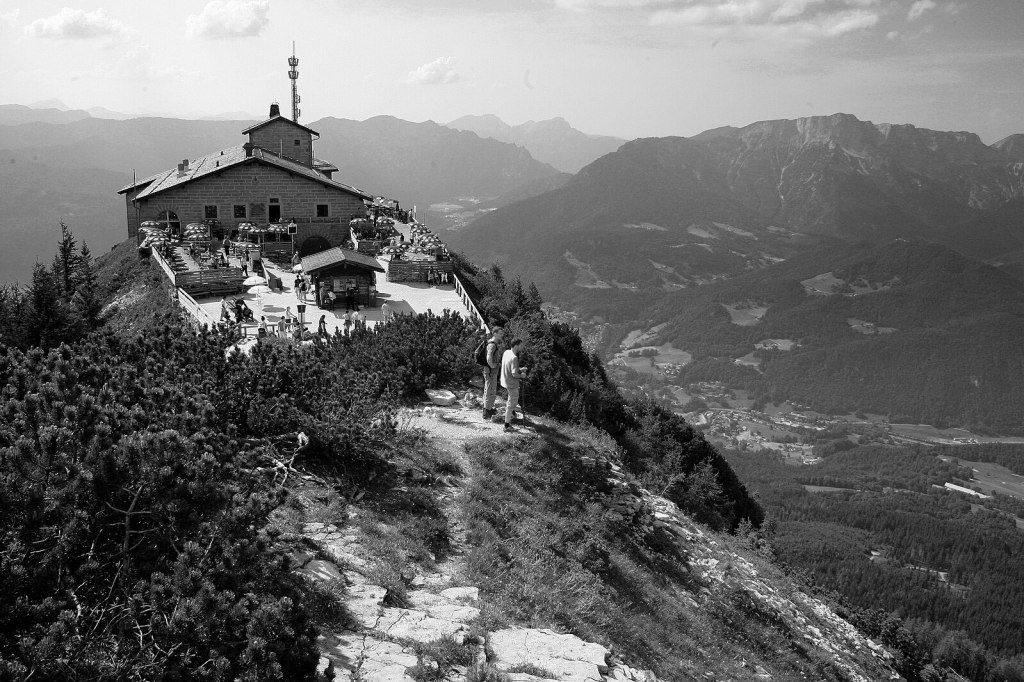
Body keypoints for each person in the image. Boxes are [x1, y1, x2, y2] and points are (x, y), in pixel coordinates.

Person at [500, 338, 527, 432]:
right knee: (512, 404)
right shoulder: (514, 357)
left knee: (510, 401)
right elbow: (514, 374)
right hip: (512, 383)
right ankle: (506, 425)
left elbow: (510, 367)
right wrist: (522, 375)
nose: (522, 347)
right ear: (516, 345)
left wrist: (519, 369)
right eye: (520, 345)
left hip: (505, 380)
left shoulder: (506, 352)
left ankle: (511, 414)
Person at [482, 327, 504, 420]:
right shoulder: (492, 345)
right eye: (500, 333)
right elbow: (488, 357)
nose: (501, 335)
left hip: (489, 371)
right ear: (494, 333)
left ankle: (487, 408)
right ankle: (487, 411)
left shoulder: (490, 343)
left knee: (488, 389)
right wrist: (493, 366)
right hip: (491, 371)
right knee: (490, 389)